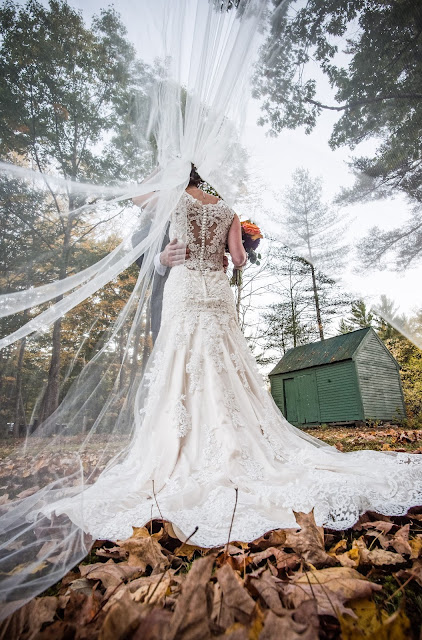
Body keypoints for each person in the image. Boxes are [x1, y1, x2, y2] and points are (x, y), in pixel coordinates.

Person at [37, 166, 422, 550]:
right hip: (216, 291)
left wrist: (159, 178)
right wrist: (236, 250)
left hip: (186, 288)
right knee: (228, 362)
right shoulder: (228, 209)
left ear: (177, 175)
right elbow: (237, 260)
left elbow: (136, 196)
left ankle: (189, 442)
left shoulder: (170, 199)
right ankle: (240, 437)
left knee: (183, 360)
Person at [131, 166, 229, 343]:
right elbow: (143, 268)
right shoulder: (141, 236)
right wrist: (162, 258)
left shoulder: (197, 214)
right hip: (168, 308)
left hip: (209, 304)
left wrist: (216, 257)